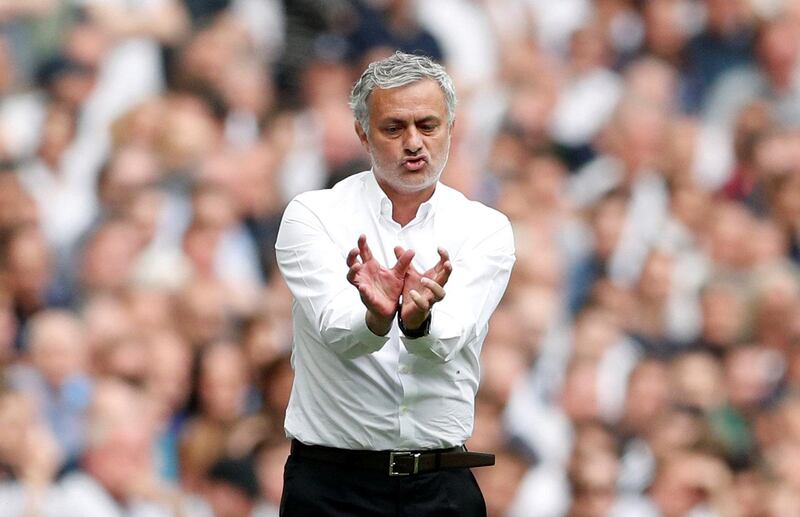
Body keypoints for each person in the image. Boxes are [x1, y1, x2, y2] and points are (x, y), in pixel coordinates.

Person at [275, 51, 515, 516]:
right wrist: (376, 316)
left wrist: (418, 322)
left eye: (428, 126)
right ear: (363, 134)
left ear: (451, 128)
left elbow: (446, 339)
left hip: (441, 488)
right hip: (331, 487)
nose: (414, 143)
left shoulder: (485, 228)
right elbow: (338, 333)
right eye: (394, 128)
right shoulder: (313, 215)